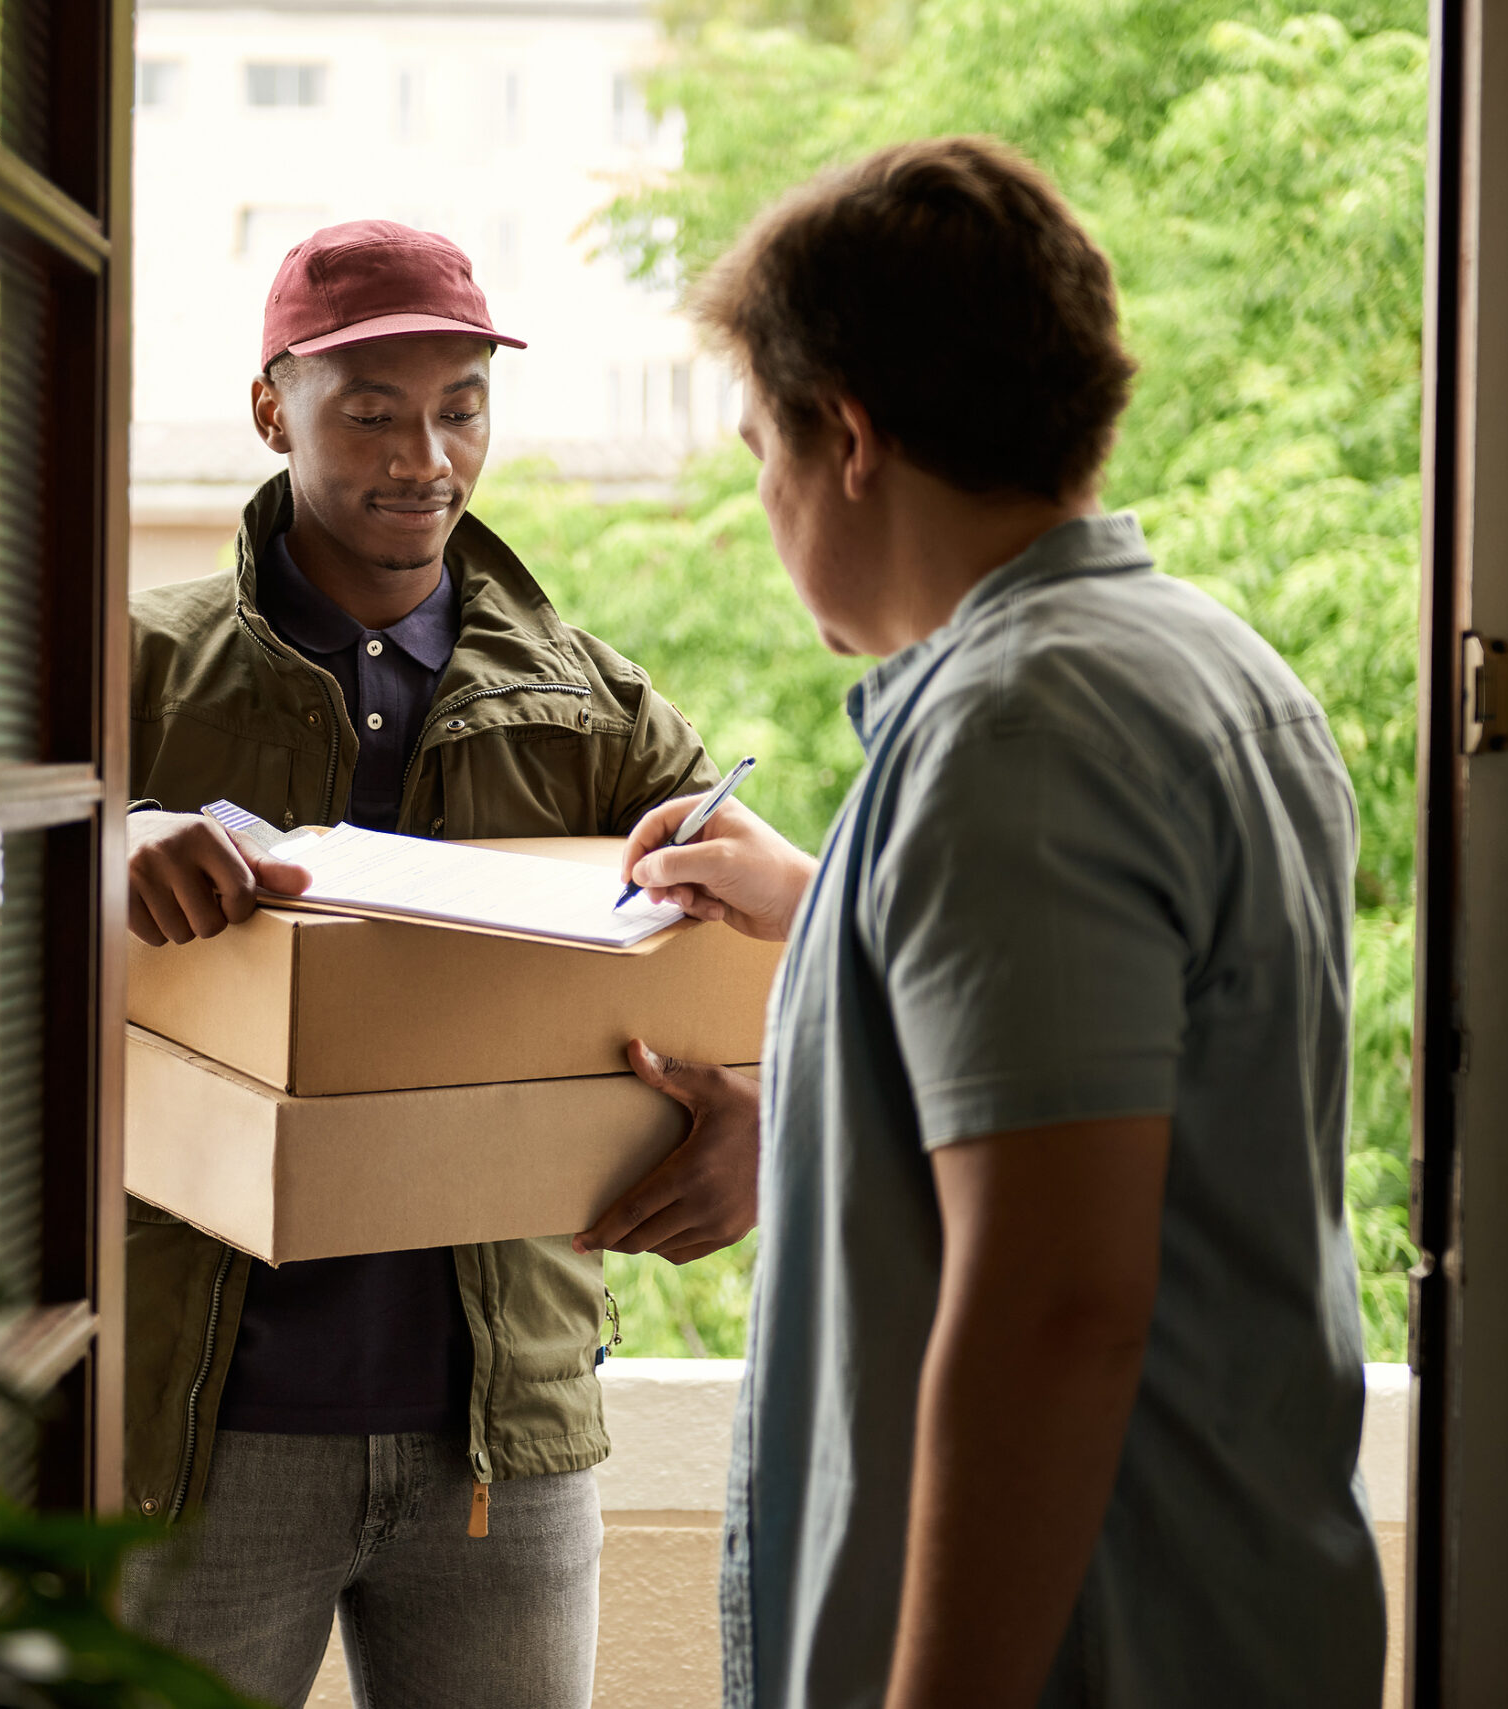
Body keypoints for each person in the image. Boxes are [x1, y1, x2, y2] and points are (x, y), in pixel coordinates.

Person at [603, 138, 1388, 1706]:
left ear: (852, 439)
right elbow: (1098, 1062)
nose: (761, 498)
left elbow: (1056, 1306)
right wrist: (829, 905)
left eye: (761, 444)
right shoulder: (1202, 666)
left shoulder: (1017, 739)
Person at [119, 219, 754, 1709]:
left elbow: (763, 940)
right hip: (200, 1431)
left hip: (503, 1436)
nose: (428, 458)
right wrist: (110, 848)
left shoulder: (596, 704)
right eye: (373, 412)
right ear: (272, 409)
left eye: (462, 406)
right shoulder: (130, 669)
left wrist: (759, 1125)